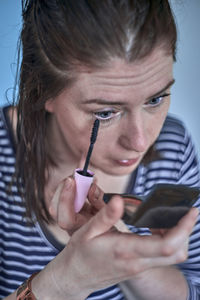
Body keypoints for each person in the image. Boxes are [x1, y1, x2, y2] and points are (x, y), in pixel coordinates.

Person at [0, 0, 200, 299]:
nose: (141, 142)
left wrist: (131, 261)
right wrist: (64, 281)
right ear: (43, 93)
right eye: (105, 112)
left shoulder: (174, 147)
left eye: (155, 100)